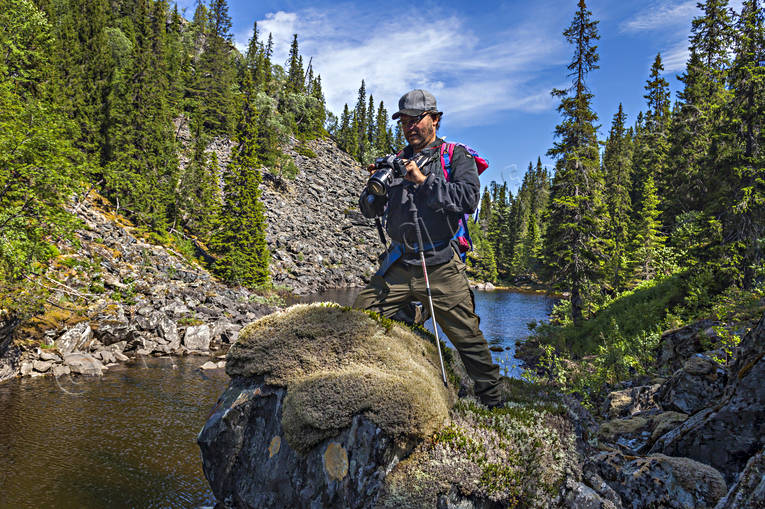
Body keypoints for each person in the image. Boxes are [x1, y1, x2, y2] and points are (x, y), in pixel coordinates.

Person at [353, 89, 502, 408]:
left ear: (435, 119)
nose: (409, 126)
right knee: (358, 321)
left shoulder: (455, 156)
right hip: (399, 264)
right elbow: (370, 210)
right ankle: (378, 373)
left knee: (468, 338)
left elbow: (467, 199)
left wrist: (422, 181)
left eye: (415, 119)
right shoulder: (396, 162)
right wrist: (373, 194)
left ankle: (493, 399)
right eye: (403, 120)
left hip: (441, 265)